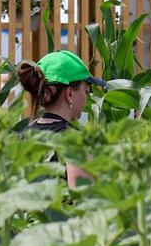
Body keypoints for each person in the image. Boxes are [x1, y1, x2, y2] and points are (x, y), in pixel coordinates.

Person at [16, 50, 107, 187]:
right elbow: (83, 199)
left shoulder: (21, 137)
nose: (86, 97)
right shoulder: (76, 142)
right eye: (85, 91)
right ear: (70, 93)